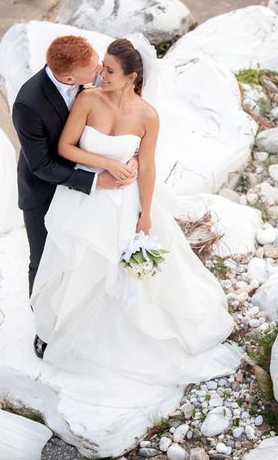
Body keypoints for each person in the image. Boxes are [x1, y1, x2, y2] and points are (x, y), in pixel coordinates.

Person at [29, 37, 238, 385]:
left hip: (125, 202)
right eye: (102, 67)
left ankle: (115, 339)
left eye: (109, 70)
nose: (101, 74)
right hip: (85, 196)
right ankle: (63, 330)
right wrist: (108, 164)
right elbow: (65, 148)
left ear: (132, 76)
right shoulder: (88, 99)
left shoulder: (147, 116)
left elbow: (148, 168)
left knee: (120, 272)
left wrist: (145, 215)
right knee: (75, 263)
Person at [11, 36, 137, 357]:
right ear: (69, 78)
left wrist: (130, 153)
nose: (100, 69)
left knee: (82, 253)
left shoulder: (91, 78)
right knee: (42, 259)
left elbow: (126, 108)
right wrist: (97, 182)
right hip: (44, 188)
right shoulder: (28, 104)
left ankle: (84, 315)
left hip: (86, 176)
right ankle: (43, 328)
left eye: (98, 61)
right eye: (93, 67)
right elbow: (40, 164)